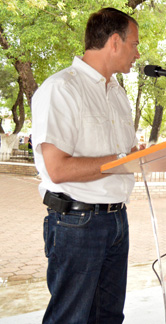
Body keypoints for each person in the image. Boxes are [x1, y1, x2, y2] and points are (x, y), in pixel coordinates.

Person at [31, 8, 141, 324]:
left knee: (108, 317)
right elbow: (58, 169)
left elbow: (130, 154)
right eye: (135, 44)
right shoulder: (62, 89)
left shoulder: (118, 94)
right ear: (115, 42)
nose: (137, 53)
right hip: (77, 224)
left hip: (117, 221)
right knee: (71, 318)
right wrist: (124, 162)